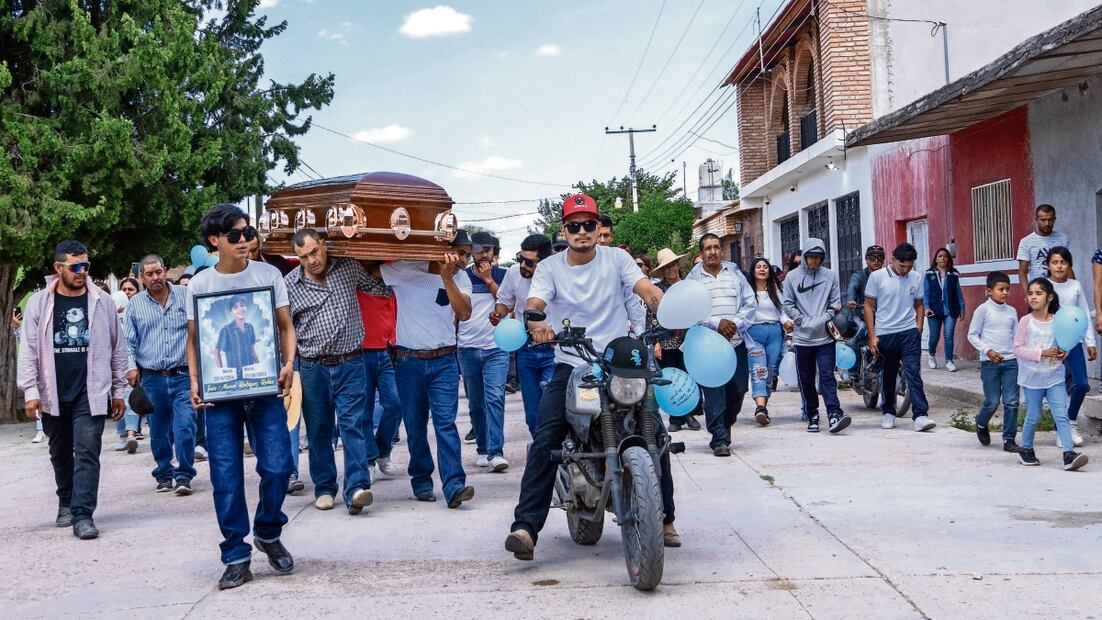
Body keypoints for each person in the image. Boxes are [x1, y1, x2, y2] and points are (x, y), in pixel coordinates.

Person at [504, 193, 680, 561]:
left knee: (653, 429)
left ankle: (664, 519)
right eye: (573, 225)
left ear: (599, 228)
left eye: (588, 224)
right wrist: (536, 320)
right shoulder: (550, 268)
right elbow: (536, 302)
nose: (581, 231)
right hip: (573, 360)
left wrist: (665, 306)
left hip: (619, 358)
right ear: (564, 231)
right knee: (546, 434)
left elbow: (644, 287)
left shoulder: (617, 259)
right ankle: (525, 527)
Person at [185, 204, 297, 590]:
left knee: (280, 466)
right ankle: (235, 555)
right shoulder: (200, 284)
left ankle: (268, 529)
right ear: (214, 241)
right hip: (220, 397)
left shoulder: (268, 275)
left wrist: (288, 363)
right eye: (235, 235)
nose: (245, 241)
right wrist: (195, 381)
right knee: (227, 477)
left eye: (248, 233)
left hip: (264, 390)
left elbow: (285, 327)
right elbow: (195, 340)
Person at [17, 240, 127, 539]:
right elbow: (27, 349)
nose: (82, 272)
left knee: (88, 451)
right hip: (52, 390)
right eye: (75, 266)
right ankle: (65, 500)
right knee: (60, 450)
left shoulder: (101, 301)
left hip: (89, 391)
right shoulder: (40, 302)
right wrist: (30, 392)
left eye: (86, 266)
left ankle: (82, 514)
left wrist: (118, 391)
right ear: (58, 268)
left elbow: (118, 348)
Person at [376, 231, 476, 509]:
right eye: (460, 252)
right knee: (415, 426)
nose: (464, 259)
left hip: (444, 360)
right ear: (443, 248)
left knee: (446, 424)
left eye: (467, 255)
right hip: (408, 361)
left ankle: (454, 484)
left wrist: (447, 277)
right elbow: (372, 267)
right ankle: (421, 481)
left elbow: (465, 313)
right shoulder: (405, 269)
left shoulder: (460, 277)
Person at [286, 228, 379, 514]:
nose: (311, 260)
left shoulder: (349, 267)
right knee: (318, 429)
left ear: (324, 246)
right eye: (303, 257)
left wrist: (386, 259)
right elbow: (284, 328)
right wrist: (287, 365)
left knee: (353, 423)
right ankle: (325, 487)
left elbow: (378, 287)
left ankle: (357, 487)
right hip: (313, 366)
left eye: (314, 252)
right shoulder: (290, 284)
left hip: (351, 361)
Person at [125, 254, 198, 494]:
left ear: (165, 270)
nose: (155, 278)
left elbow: (196, 331)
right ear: (142, 277)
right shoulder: (135, 305)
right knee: (158, 431)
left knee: (185, 426)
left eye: (158, 272)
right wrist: (131, 366)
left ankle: (184, 474)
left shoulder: (185, 296)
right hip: (153, 378)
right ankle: (164, 474)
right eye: (149, 274)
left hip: (183, 375)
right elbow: (128, 343)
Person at [686, 233, 756, 452]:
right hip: (708, 346)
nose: (713, 252)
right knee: (714, 391)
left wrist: (733, 323)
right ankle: (719, 439)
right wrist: (717, 323)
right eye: (708, 248)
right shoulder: (693, 279)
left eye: (716, 247)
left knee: (739, 388)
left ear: (722, 250)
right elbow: (689, 311)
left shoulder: (735, 274)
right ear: (701, 253)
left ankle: (724, 424)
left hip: (736, 342)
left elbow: (750, 303)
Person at [1012, 278, 1087, 470]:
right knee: (1033, 415)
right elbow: (1018, 349)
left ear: (1049, 297)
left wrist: (1064, 352)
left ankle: (1069, 454)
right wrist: (1041, 353)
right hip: (1032, 379)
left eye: (1038, 293)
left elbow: (1065, 342)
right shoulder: (1025, 321)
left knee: (1061, 415)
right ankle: (1026, 449)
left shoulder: (1058, 320)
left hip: (1054, 377)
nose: (1033, 297)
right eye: (1030, 293)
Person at [864, 242, 934, 433]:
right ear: (893, 259)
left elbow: (919, 304)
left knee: (913, 373)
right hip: (885, 333)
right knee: (888, 374)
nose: (905, 270)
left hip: (909, 332)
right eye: (902, 266)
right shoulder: (877, 277)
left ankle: (920, 415)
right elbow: (868, 306)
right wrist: (872, 335)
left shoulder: (917, 278)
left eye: (909, 267)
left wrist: (919, 327)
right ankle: (888, 411)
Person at [782, 239, 848, 433]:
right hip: (802, 338)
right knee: (806, 379)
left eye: (818, 258)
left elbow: (835, 304)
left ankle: (835, 414)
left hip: (825, 337)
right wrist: (801, 319)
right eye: (811, 257)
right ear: (804, 257)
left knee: (828, 377)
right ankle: (812, 414)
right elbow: (787, 304)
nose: (814, 261)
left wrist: (821, 319)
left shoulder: (830, 276)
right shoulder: (792, 277)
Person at [493, 234, 556, 437]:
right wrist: (498, 314)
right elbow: (504, 301)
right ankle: (542, 452)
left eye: (529, 262)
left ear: (544, 262)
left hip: (556, 348)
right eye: (521, 258)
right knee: (532, 414)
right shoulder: (513, 273)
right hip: (526, 348)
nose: (522, 265)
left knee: (551, 405)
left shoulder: (559, 274)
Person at [458, 231, 510, 472]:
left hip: (496, 348)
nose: (484, 255)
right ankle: (481, 448)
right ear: (471, 252)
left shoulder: (504, 275)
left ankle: (496, 452)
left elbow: (509, 305)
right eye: (479, 250)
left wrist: (489, 280)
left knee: (495, 398)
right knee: (476, 403)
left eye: (488, 250)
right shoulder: (461, 275)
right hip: (467, 348)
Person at [354, 262, 402, 478]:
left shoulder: (392, 280)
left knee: (395, 403)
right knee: (363, 412)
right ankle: (369, 459)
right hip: (360, 353)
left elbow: (395, 314)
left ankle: (383, 450)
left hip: (386, 351)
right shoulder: (353, 276)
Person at [647, 248, 702, 432]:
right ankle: (676, 416)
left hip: (689, 338)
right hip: (666, 340)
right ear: (662, 270)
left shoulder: (688, 285)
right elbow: (651, 317)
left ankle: (690, 413)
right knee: (671, 377)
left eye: (673, 265)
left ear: (678, 265)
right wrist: (655, 341)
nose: (671, 269)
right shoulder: (658, 289)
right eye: (667, 267)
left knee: (689, 375)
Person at [967, 272, 1021, 452]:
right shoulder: (983, 310)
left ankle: (1009, 439)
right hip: (990, 363)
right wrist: (987, 351)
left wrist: (1019, 354)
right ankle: (981, 423)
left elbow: (1016, 337)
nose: (1005, 293)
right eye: (1001, 289)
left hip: (1011, 362)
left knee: (1012, 401)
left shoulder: (1012, 311)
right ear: (989, 291)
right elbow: (972, 335)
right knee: (992, 401)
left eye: (1007, 289)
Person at [1045, 247, 1093, 447]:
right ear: (1048, 265)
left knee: (1081, 384)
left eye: (1063, 262)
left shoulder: (1075, 286)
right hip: (1051, 345)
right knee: (1056, 388)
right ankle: (1061, 429)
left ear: (1069, 265)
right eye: (1055, 262)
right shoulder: (1044, 285)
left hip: (1073, 343)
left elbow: (1084, 314)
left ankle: (1070, 421)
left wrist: (1090, 342)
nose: (1059, 266)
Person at [746, 257, 794, 423]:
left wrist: (787, 321)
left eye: (765, 267)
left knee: (770, 371)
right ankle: (759, 407)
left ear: (769, 271)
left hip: (774, 333)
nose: (761, 269)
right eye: (758, 266)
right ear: (753, 271)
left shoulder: (776, 290)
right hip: (754, 333)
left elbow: (782, 312)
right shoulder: (747, 291)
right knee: (758, 369)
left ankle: (763, 408)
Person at [844, 245, 885, 377]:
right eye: (872, 258)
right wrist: (851, 300)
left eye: (880, 258)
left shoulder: (887, 276)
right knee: (853, 338)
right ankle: (852, 371)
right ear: (866, 260)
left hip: (883, 317)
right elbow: (852, 287)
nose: (876, 261)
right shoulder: (859, 275)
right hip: (862, 316)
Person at [923, 248, 965, 372]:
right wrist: (926, 308)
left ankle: (949, 361)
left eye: (945, 256)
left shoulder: (953, 274)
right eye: (940, 256)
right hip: (934, 309)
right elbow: (925, 292)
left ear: (948, 259)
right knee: (934, 336)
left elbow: (958, 293)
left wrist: (962, 309)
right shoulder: (929, 273)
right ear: (936, 259)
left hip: (950, 309)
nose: (943, 258)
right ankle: (931, 355)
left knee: (948, 335)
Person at [1016, 204, 1070, 298]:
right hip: (1038, 293)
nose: (1047, 223)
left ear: (1054, 219)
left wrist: (1072, 288)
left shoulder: (1063, 238)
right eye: (1043, 220)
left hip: (1061, 292)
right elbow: (1022, 272)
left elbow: (1068, 267)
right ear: (1036, 220)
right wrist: (1028, 295)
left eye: (1050, 220)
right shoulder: (1026, 242)